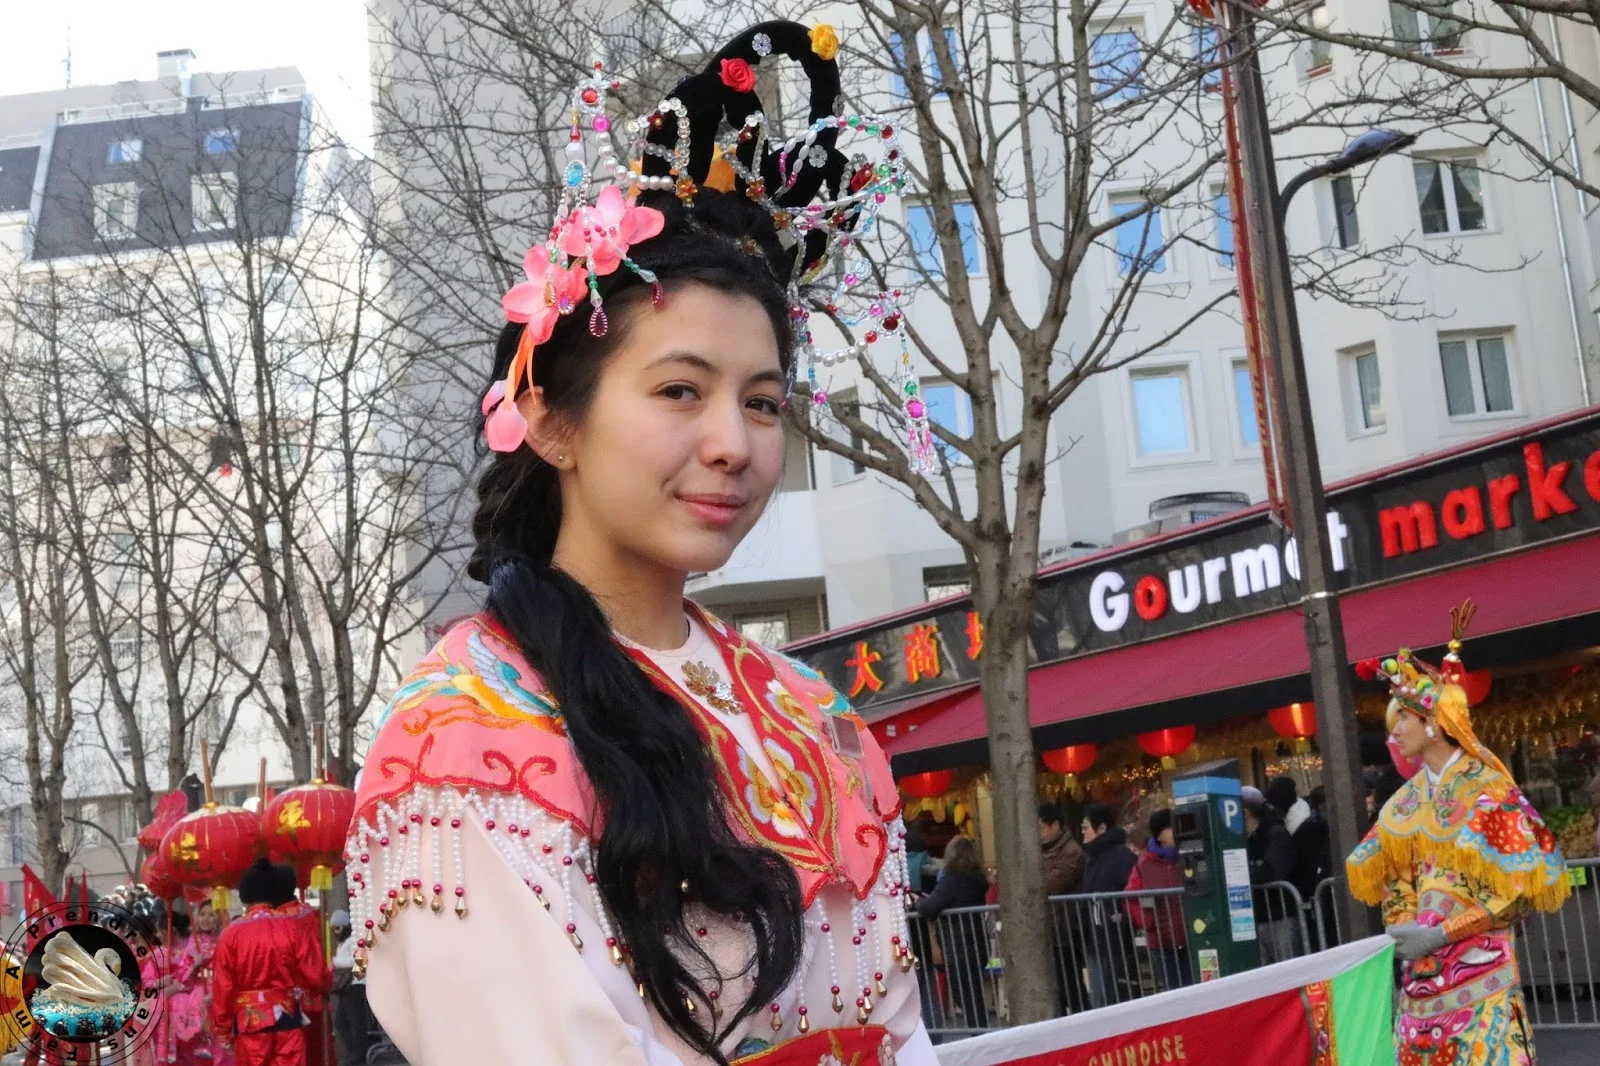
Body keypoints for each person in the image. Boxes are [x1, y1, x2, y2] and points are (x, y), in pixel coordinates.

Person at [344, 23, 932, 1066]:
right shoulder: (464, 737)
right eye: (678, 391)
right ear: (555, 420)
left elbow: (895, 1030)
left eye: (761, 402)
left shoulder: (814, 720)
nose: (733, 444)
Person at [1347, 607, 1569, 1066]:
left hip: (1480, 974)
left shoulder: (1487, 791)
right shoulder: (1404, 801)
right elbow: (1393, 874)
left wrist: (1445, 932)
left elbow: (1521, 890)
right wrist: (1405, 922)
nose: (1395, 734)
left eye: (1401, 721)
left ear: (1432, 721)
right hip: (1420, 987)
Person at [210, 860, 330, 1066]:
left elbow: (223, 986)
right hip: (287, 1017)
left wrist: (222, 1028)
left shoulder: (231, 934)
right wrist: (322, 985)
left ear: (246, 896)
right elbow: (314, 974)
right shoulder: (292, 925)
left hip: (250, 1021)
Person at [914, 837, 990, 1033]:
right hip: (976, 942)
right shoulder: (977, 879)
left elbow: (930, 907)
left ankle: (978, 1036)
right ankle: (979, 1032)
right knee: (974, 995)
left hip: (958, 946)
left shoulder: (952, 880)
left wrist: (917, 902)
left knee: (965, 997)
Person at [1079, 804, 1137, 1008]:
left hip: (1112, 933)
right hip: (1095, 934)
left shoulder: (1121, 856)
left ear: (1101, 828)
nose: (1083, 832)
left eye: (1086, 827)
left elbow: (1133, 889)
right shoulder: (1093, 857)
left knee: (1110, 993)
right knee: (1099, 992)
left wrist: (1121, 917)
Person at [1124, 810, 1188, 993]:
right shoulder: (1144, 863)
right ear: (1159, 834)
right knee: (1173, 993)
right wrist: (1146, 922)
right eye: (1170, 828)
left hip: (1191, 938)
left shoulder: (1187, 855)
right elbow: (1130, 897)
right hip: (1161, 944)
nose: (1176, 831)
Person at [1036, 803, 1088, 1013]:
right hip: (1047, 928)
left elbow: (1055, 882)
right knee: (1055, 986)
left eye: (1040, 828)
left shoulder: (1072, 851)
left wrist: (1031, 880)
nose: (1038, 834)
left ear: (1055, 825)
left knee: (1071, 983)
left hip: (1065, 927)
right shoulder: (1038, 852)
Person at [172, 897, 234, 1066]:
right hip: (198, 999)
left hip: (223, 994)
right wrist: (194, 964)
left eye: (212, 914)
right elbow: (180, 976)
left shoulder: (227, 938)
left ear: (220, 917)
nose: (206, 919)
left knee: (223, 1047)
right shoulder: (193, 942)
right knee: (200, 1050)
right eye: (203, 914)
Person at [1241, 786, 1299, 964]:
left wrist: (1242, 875)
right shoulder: (1246, 838)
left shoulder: (1276, 833)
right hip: (1256, 915)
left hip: (1279, 913)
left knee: (1287, 966)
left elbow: (1272, 870)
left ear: (1245, 813)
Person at [136, 903, 189, 1066]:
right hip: (166, 1010)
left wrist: (177, 986)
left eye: (160, 931)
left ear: (170, 930)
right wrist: (160, 982)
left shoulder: (192, 948)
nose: (158, 935)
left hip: (190, 1006)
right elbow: (146, 983)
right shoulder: (158, 954)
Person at [329, 912, 373, 1066]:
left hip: (356, 985)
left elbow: (356, 958)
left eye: (338, 927)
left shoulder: (353, 939)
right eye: (333, 928)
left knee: (355, 1021)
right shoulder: (343, 942)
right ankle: (353, 1052)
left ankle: (358, 1053)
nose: (335, 932)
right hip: (347, 986)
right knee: (342, 1022)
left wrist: (335, 962)